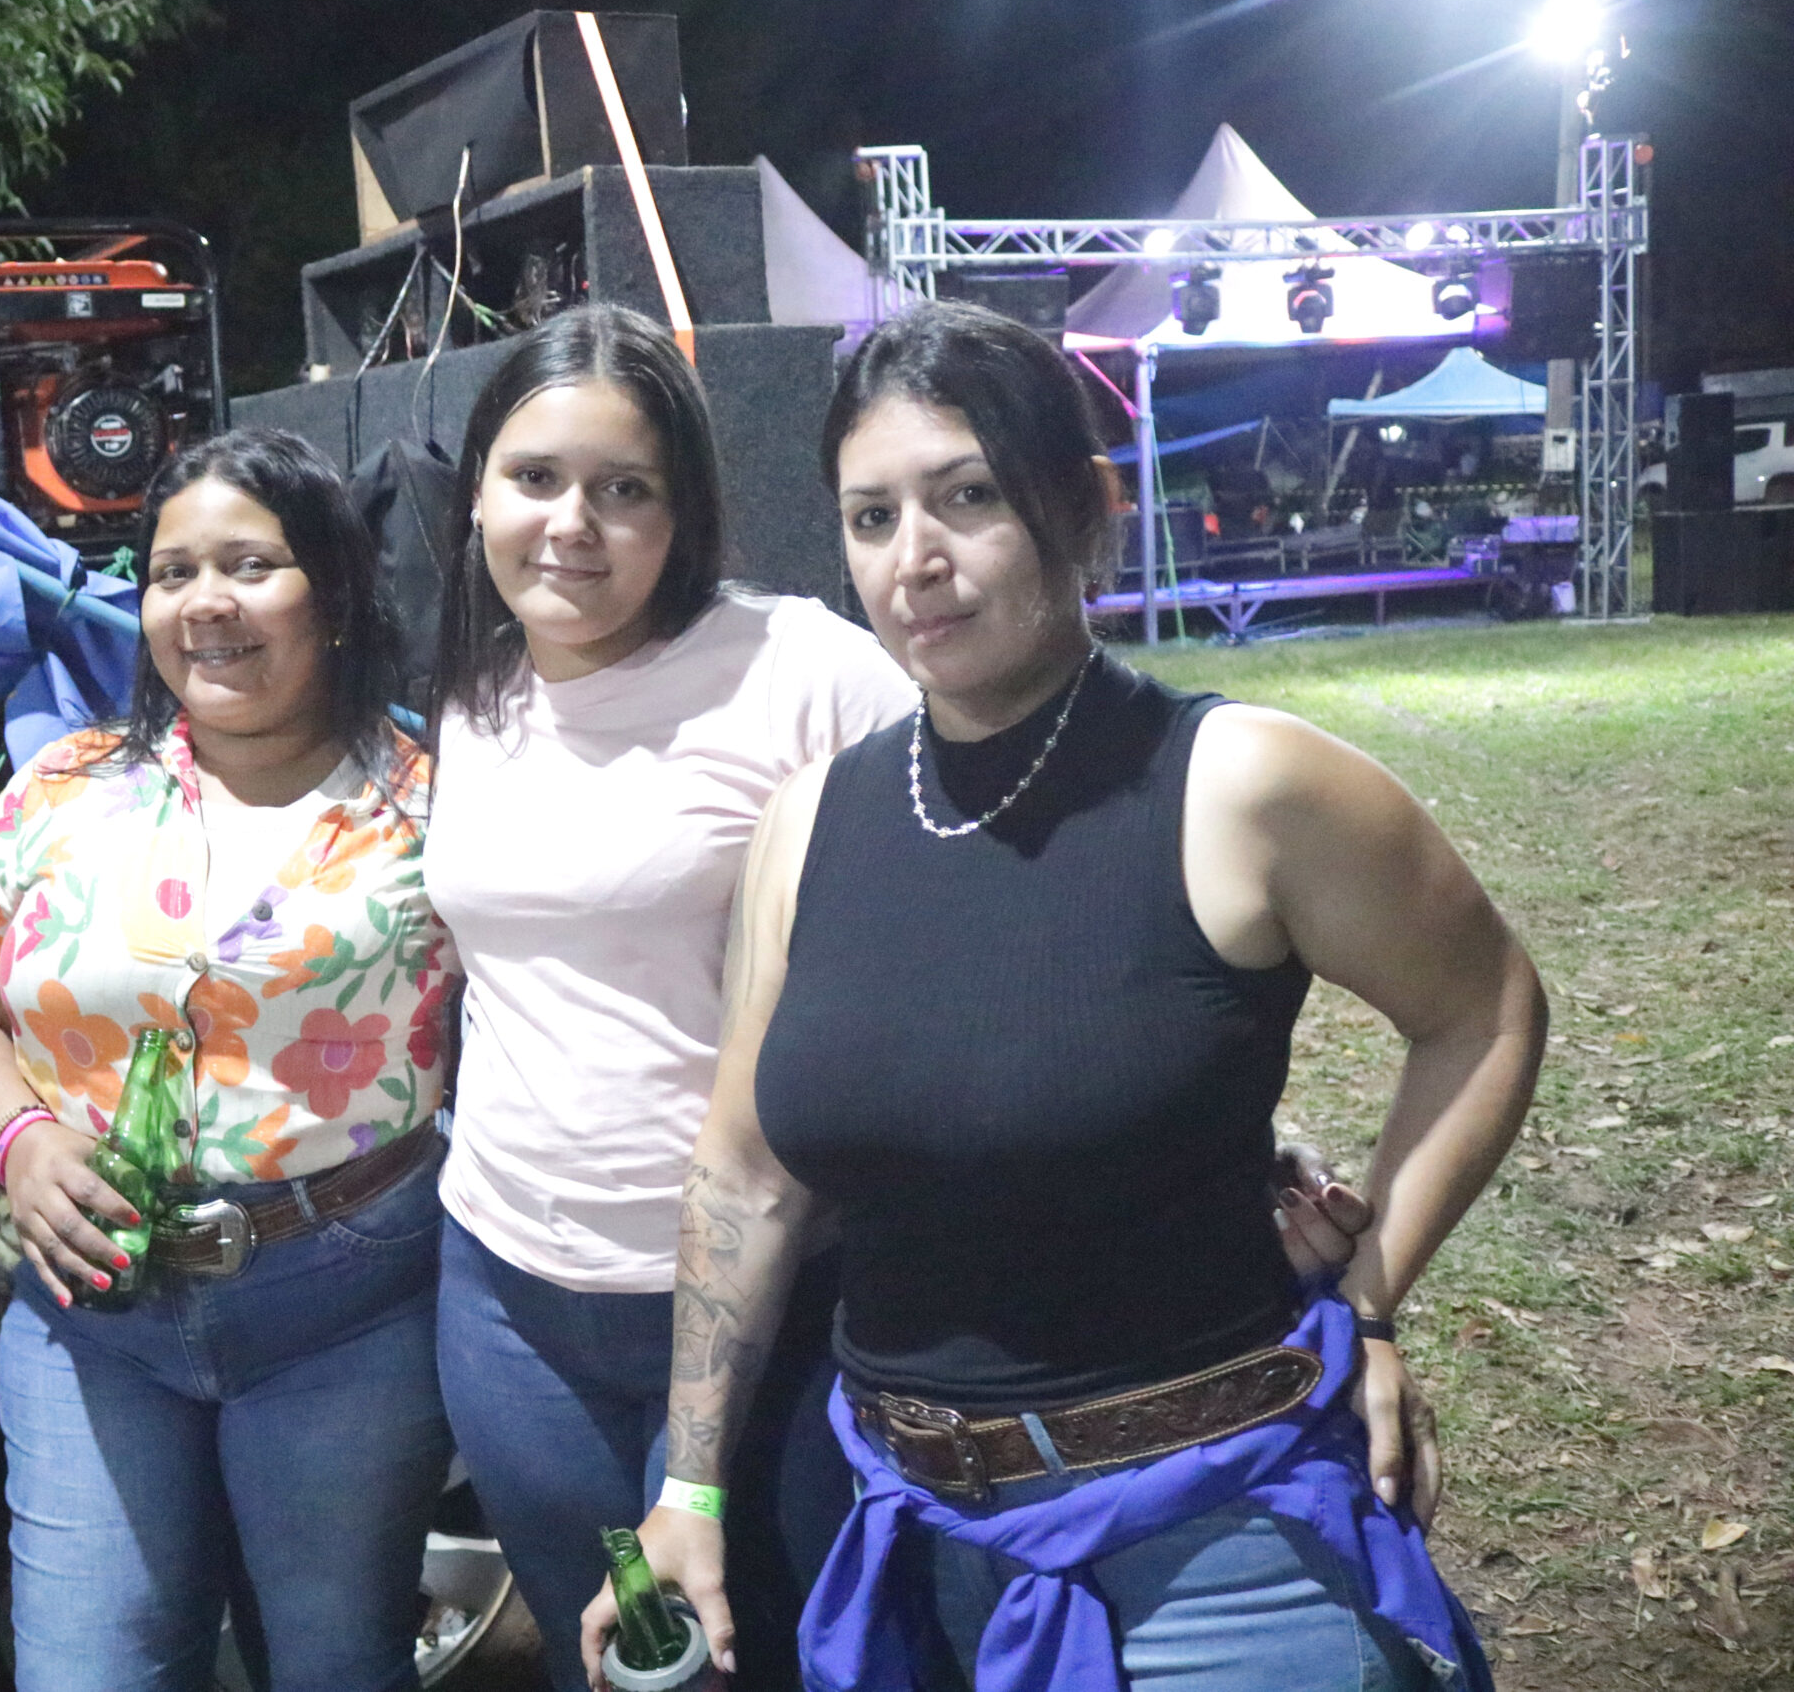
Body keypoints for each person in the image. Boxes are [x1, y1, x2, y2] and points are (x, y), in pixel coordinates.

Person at [421, 305, 1378, 1692]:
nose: (573, 523)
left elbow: (1009, 870)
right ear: (476, 495)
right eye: (534, 478)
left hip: (782, 1290)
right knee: (614, 1662)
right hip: (509, 1289)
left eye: (624, 487)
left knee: (796, 1649)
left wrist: (1196, 1132)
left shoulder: (802, 668)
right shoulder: (471, 691)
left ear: (685, 514)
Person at [592, 300, 1545, 1692]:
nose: (915, 559)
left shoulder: (1240, 783)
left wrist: (1374, 1290)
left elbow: (1486, 1010)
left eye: (968, 496)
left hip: (1218, 1545)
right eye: (871, 517)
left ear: (1085, 502)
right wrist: (691, 1485)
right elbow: (745, 1175)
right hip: (913, 1543)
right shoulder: (810, 825)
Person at [0, 428, 457, 1692]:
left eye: (251, 566)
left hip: (348, 1304)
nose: (205, 602)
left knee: (335, 1667)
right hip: (95, 1316)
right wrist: (19, 1140)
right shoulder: (61, 789)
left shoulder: (434, 806)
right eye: (172, 572)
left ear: (334, 592)